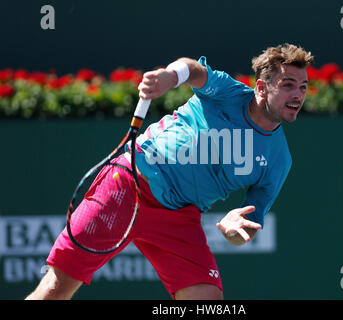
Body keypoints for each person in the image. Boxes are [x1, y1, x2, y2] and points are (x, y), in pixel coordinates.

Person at [26, 43, 314, 300]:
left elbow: (248, 226)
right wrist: (169, 76)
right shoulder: (227, 92)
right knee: (55, 290)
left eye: (302, 87)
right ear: (261, 88)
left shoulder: (278, 161)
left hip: (178, 216)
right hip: (128, 183)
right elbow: (192, 69)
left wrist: (233, 232)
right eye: (288, 84)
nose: (298, 94)